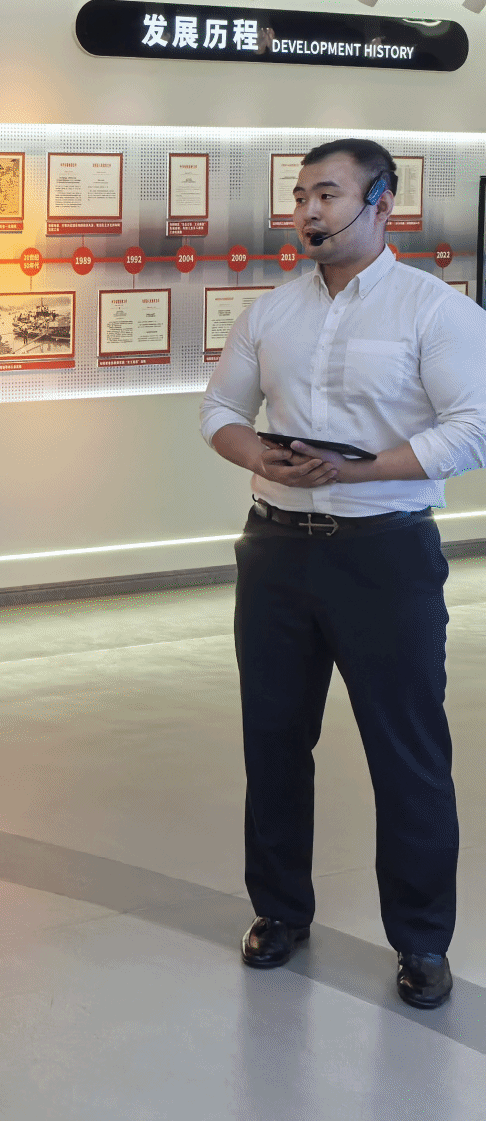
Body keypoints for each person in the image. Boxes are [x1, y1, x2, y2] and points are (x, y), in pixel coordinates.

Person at [200, 137, 486, 1011]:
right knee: (274, 741)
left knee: (408, 754)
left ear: (381, 205)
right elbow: (221, 410)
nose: (308, 212)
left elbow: (472, 428)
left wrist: (356, 472)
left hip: (385, 554)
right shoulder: (271, 313)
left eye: (327, 194)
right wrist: (260, 456)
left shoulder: (435, 311)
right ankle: (279, 911)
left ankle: (423, 941)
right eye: (300, 197)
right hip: (275, 550)